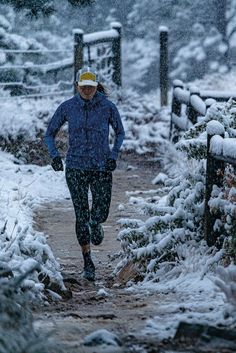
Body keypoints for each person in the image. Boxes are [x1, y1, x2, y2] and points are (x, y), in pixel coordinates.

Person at [44, 67, 125, 282]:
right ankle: (87, 261)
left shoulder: (107, 107)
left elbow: (120, 132)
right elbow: (49, 133)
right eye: (84, 86)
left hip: (101, 167)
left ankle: (96, 222)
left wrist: (114, 155)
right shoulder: (68, 107)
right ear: (77, 86)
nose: (87, 90)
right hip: (76, 167)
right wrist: (54, 156)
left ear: (96, 85)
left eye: (91, 86)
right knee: (81, 214)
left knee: (100, 211)